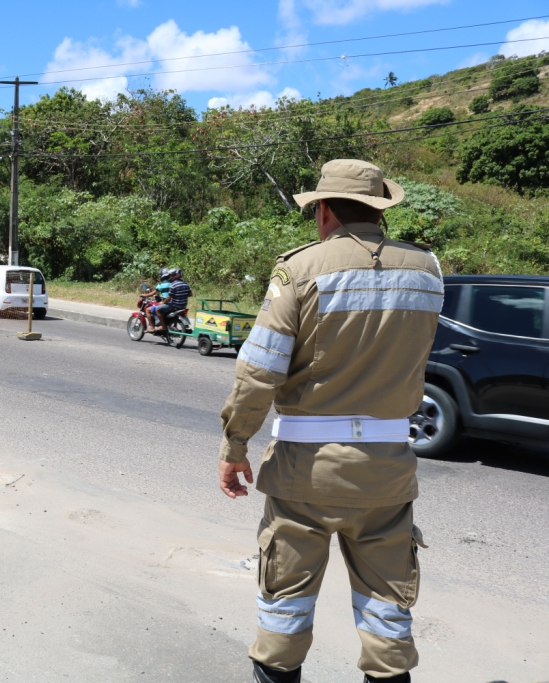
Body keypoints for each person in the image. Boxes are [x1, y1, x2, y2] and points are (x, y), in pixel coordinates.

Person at [217, 159, 444, 683]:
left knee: (284, 615)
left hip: (304, 477)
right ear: (380, 209)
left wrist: (234, 448)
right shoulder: (427, 270)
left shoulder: (299, 269)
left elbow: (259, 372)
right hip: (387, 474)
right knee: (387, 618)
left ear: (322, 212)